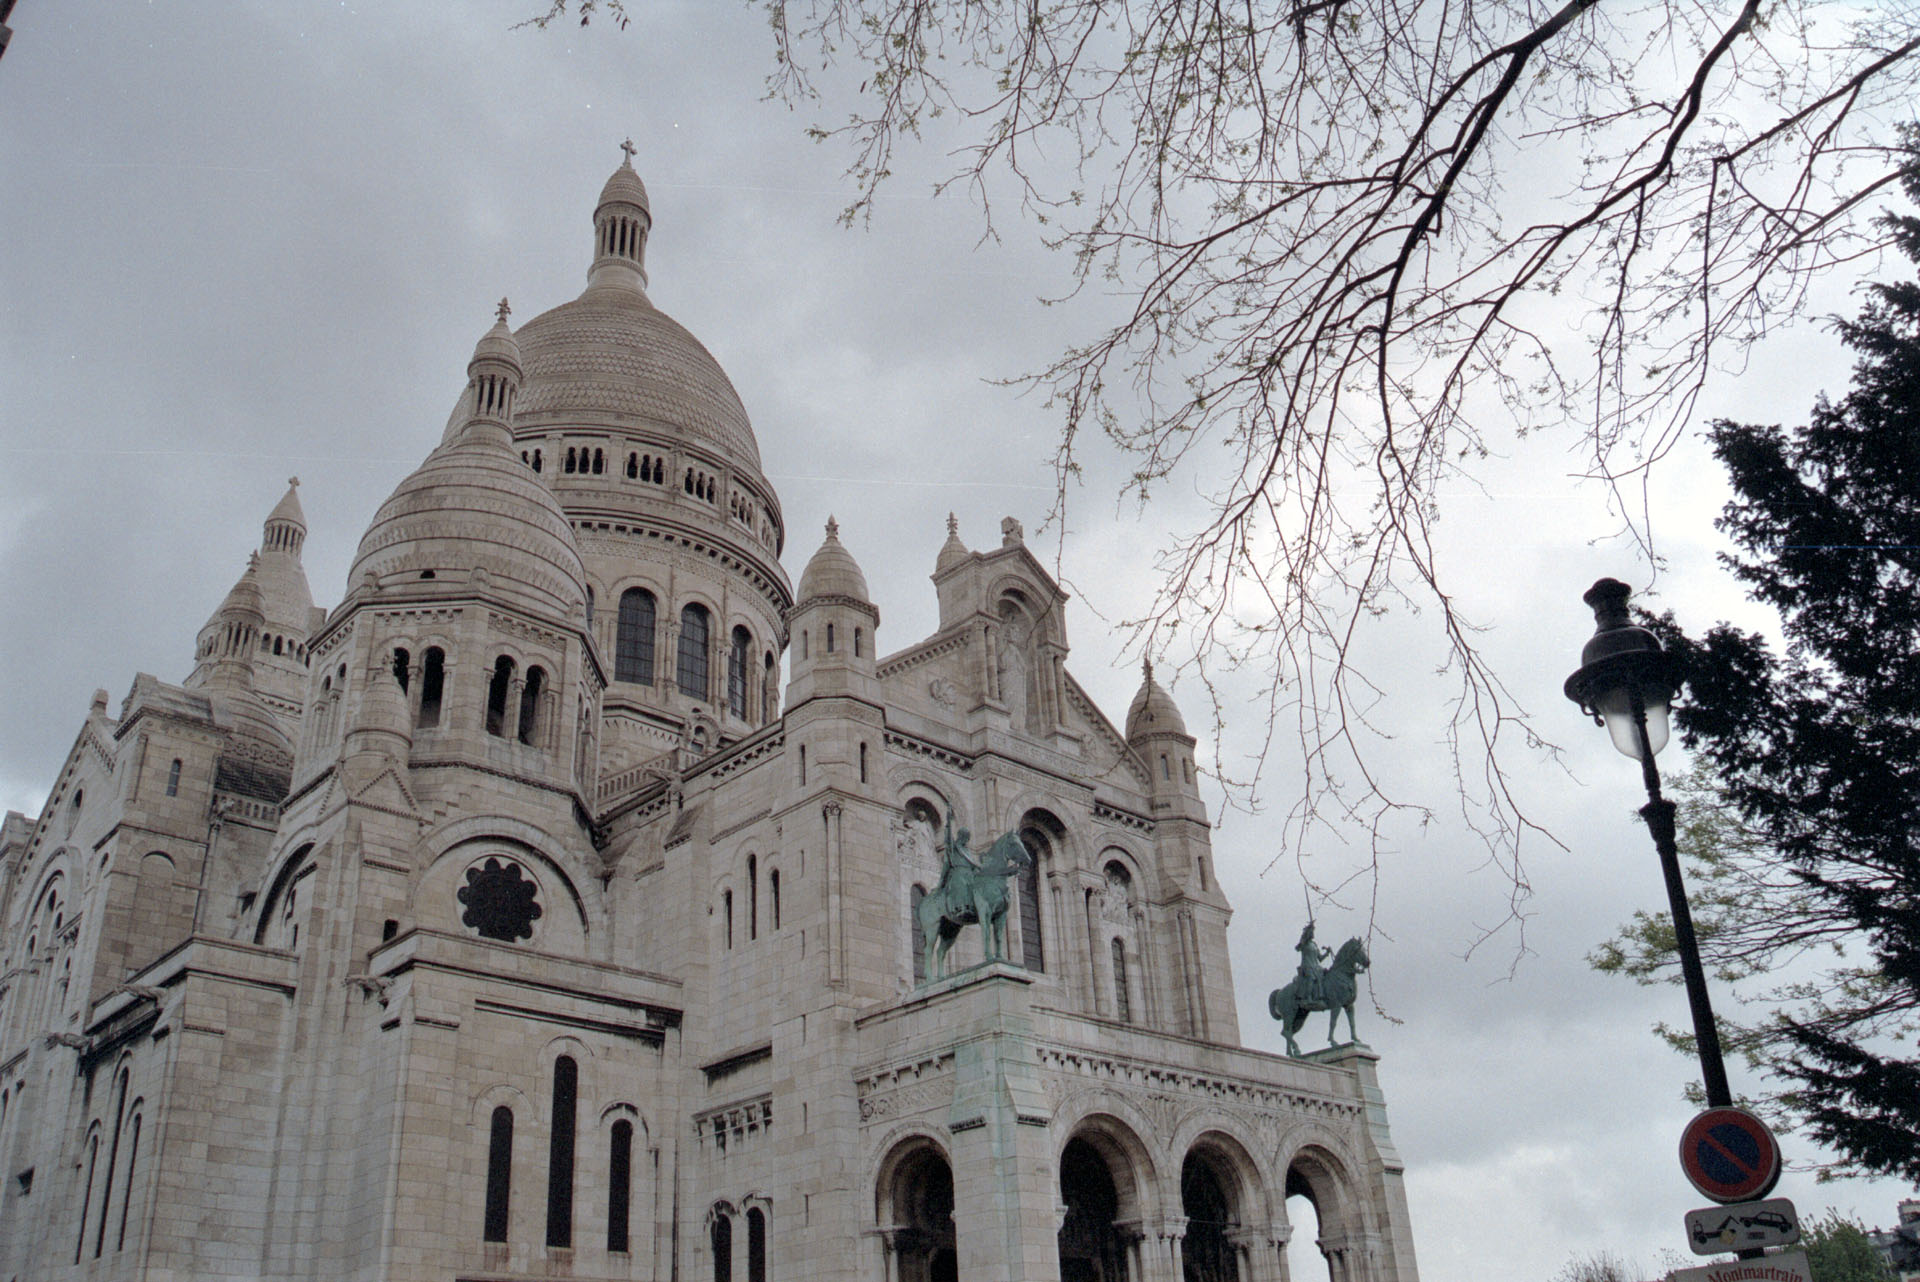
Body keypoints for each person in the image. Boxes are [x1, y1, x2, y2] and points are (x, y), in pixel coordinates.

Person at [1295, 921, 1331, 1006]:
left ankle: (1320, 996)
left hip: (1316, 967)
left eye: (1313, 932)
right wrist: (1305, 935)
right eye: (1311, 932)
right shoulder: (1304, 943)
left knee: (1324, 977)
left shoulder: (1314, 944)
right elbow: (1297, 948)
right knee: (1311, 978)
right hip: (1307, 966)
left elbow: (1320, 958)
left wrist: (1327, 953)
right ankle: (1308, 998)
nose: (1312, 933)